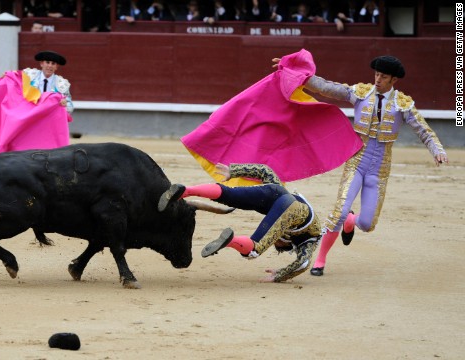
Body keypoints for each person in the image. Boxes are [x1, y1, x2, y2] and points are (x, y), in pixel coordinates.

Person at [268, 55, 449, 277]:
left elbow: (424, 130)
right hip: (357, 162)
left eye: (383, 76)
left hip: (380, 169)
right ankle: (320, 261)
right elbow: (327, 88)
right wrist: (296, 74)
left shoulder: (403, 104)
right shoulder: (361, 93)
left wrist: (437, 150)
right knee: (339, 212)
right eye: (376, 74)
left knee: (367, 224)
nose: (377, 79)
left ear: (394, 80)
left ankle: (351, 221)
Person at [158, 162, 321, 283]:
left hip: (277, 192)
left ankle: (187, 190)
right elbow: (303, 263)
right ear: (286, 244)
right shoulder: (309, 240)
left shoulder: (283, 194)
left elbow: (265, 170)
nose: (274, 240)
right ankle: (231, 241)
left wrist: (234, 171)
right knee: (254, 250)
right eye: (277, 242)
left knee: (228, 195)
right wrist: (280, 275)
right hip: (291, 207)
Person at [0, 50, 74, 158]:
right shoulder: (28, 75)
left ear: (57, 67)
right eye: (47, 62)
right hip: (26, 117)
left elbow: (70, 107)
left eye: (53, 64)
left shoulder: (62, 84)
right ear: (41, 63)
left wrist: (64, 105)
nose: (50, 66)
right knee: (12, 122)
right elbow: (13, 80)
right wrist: (6, 79)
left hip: (45, 124)